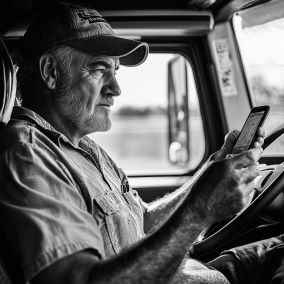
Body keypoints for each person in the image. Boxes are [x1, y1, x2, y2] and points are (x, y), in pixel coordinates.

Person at [0, 2, 265, 283]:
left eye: (116, 72)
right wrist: (201, 210)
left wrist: (210, 175)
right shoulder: (28, 153)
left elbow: (144, 223)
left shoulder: (84, 148)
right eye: (100, 69)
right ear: (51, 72)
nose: (116, 89)